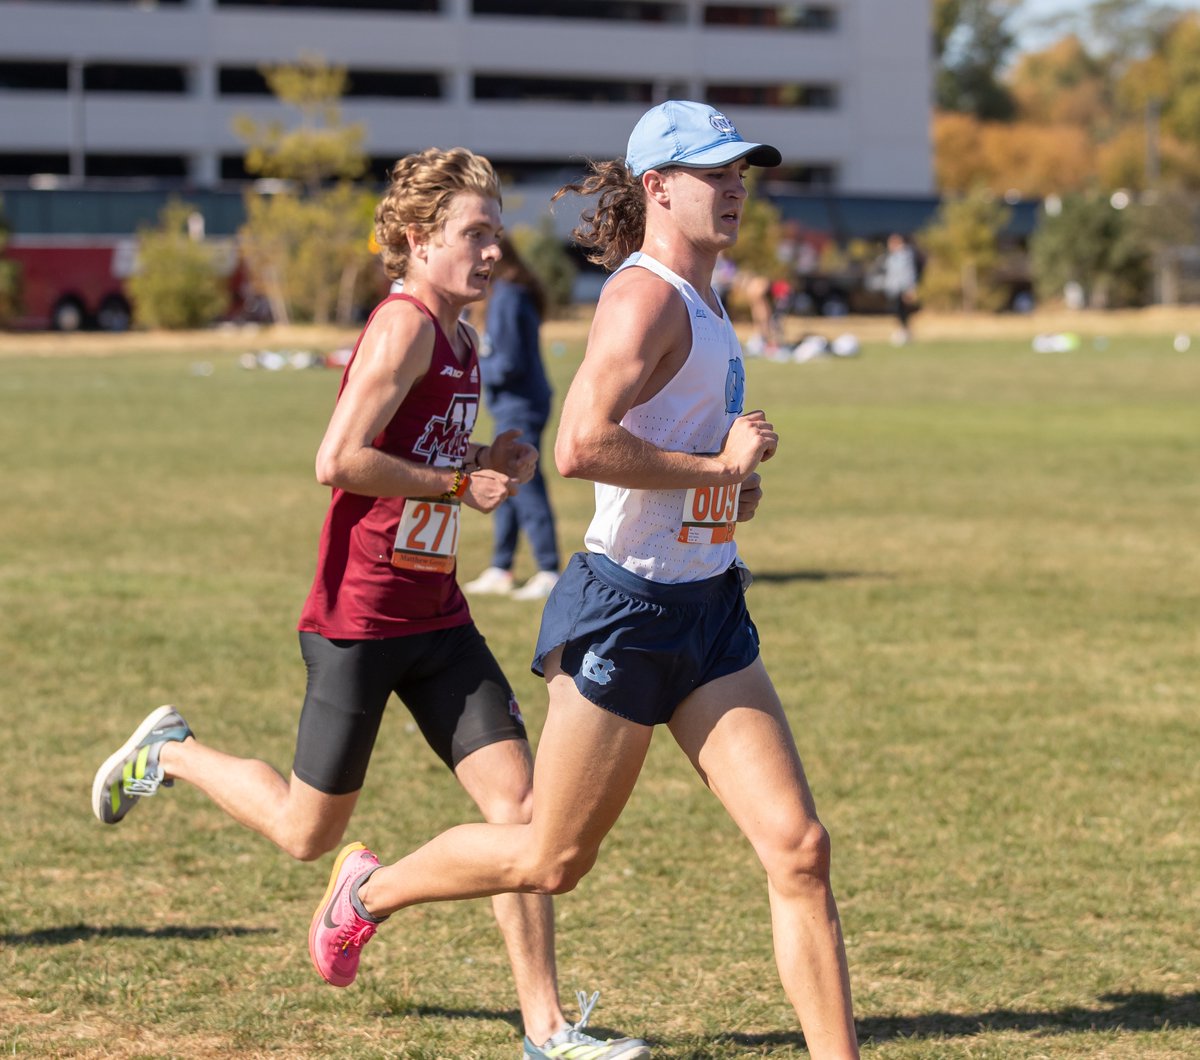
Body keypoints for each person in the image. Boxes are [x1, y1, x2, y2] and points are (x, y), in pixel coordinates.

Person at [307, 102, 860, 1059]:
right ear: (658, 188)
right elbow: (579, 446)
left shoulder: (708, 296)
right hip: (628, 613)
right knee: (550, 858)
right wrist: (716, 469)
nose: (735, 188)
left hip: (709, 609)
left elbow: (670, 454)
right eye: (715, 173)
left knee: (799, 849)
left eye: (741, 172)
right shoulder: (643, 298)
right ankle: (369, 892)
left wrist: (728, 491)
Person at [91, 146, 649, 1060]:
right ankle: (173, 752)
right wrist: (454, 483)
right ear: (420, 239)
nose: (493, 251)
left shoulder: (462, 336)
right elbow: (338, 459)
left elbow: (417, 450)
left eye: (497, 233)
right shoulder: (403, 326)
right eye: (474, 234)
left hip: (438, 618)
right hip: (359, 619)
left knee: (521, 814)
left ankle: (546, 1028)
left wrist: (485, 458)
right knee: (306, 833)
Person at [463, 235, 561, 600]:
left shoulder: (508, 295)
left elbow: (507, 363)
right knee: (506, 479)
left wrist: (467, 368)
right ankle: (501, 566)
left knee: (525, 483)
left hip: (521, 405)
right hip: (514, 404)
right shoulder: (507, 292)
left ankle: (549, 569)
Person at [882, 232, 919, 345]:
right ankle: (903, 331)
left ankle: (905, 332)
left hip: (903, 288)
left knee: (903, 312)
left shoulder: (906, 256)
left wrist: (910, 288)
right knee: (897, 312)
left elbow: (909, 273)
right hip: (894, 289)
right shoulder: (891, 256)